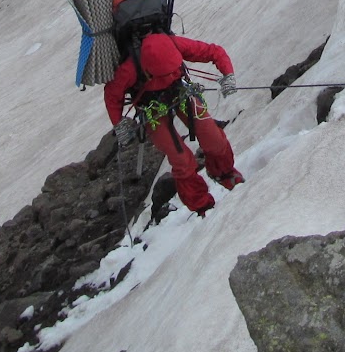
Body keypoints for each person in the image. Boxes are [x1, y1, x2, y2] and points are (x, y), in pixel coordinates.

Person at [105, 20, 244, 217]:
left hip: (179, 92)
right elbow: (112, 94)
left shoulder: (174, 43)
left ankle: (224, 173)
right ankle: (201, 205)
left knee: (212, 136)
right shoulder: (129, 68)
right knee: (181, 159)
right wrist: (119, 124)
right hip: (152, 108)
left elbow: (214, 52)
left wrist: (228, 74)